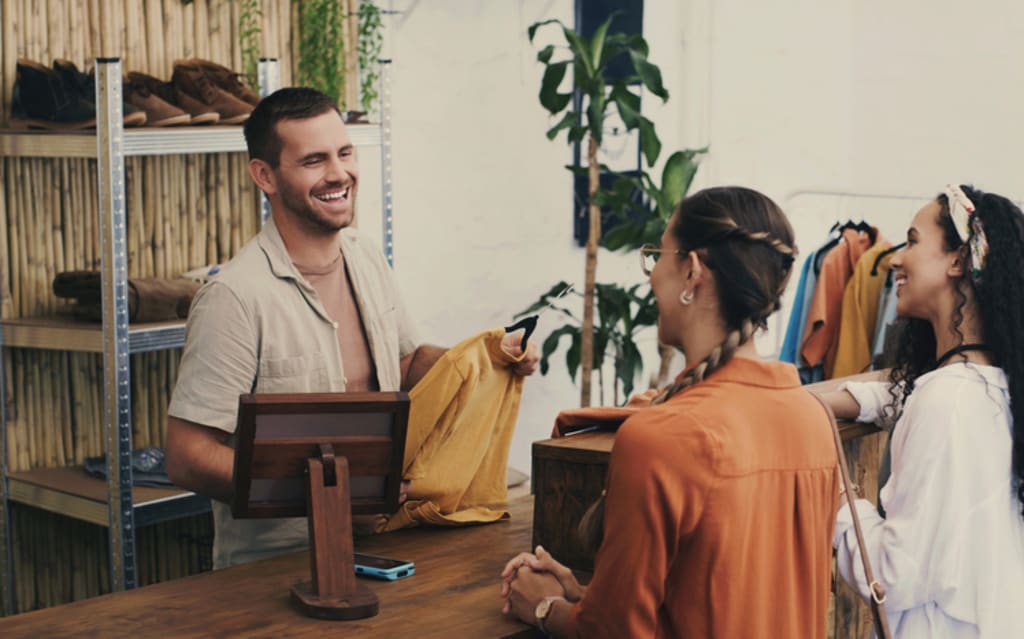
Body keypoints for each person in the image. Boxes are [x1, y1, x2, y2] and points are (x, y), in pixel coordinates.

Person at [165, 87, 538, 569]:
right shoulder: (236, 297)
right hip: (275, 567)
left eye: (344, 153)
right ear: (265, 176)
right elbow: (188, 456)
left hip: (384, 544)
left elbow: (402, 365)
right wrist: (332, 491)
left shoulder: (364, 256)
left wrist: (482, 359)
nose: (339, 173)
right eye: (314, 161)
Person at [500, 187, 839, 638]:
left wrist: (542, 607)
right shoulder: (812, 418)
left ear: (692, 271)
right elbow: (727, 598)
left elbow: (614, 633)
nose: (652, 273)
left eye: (658, 254)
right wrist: (586, 597)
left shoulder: (663, 437)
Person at [821, 184, 1024, 638]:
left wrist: (840, 498)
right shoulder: (991, 387)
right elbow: (899, 393)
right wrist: (798, 400)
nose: (894, 258)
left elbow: (892, 578)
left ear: (956, 261)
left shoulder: (947, 402)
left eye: (912, 241)